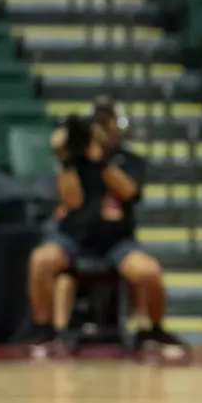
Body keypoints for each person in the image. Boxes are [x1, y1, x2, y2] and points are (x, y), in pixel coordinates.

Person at [25, 99, 185, 355]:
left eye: (107, 124)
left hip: (116, 241)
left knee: (149, 272)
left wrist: (101, 163)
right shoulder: (75, 162)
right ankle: (44, 331)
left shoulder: (130, 160)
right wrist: (66, 160)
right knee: (41, 260)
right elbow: (73, 202)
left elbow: (128, 192)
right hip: (74, 238)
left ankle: (153, 331)